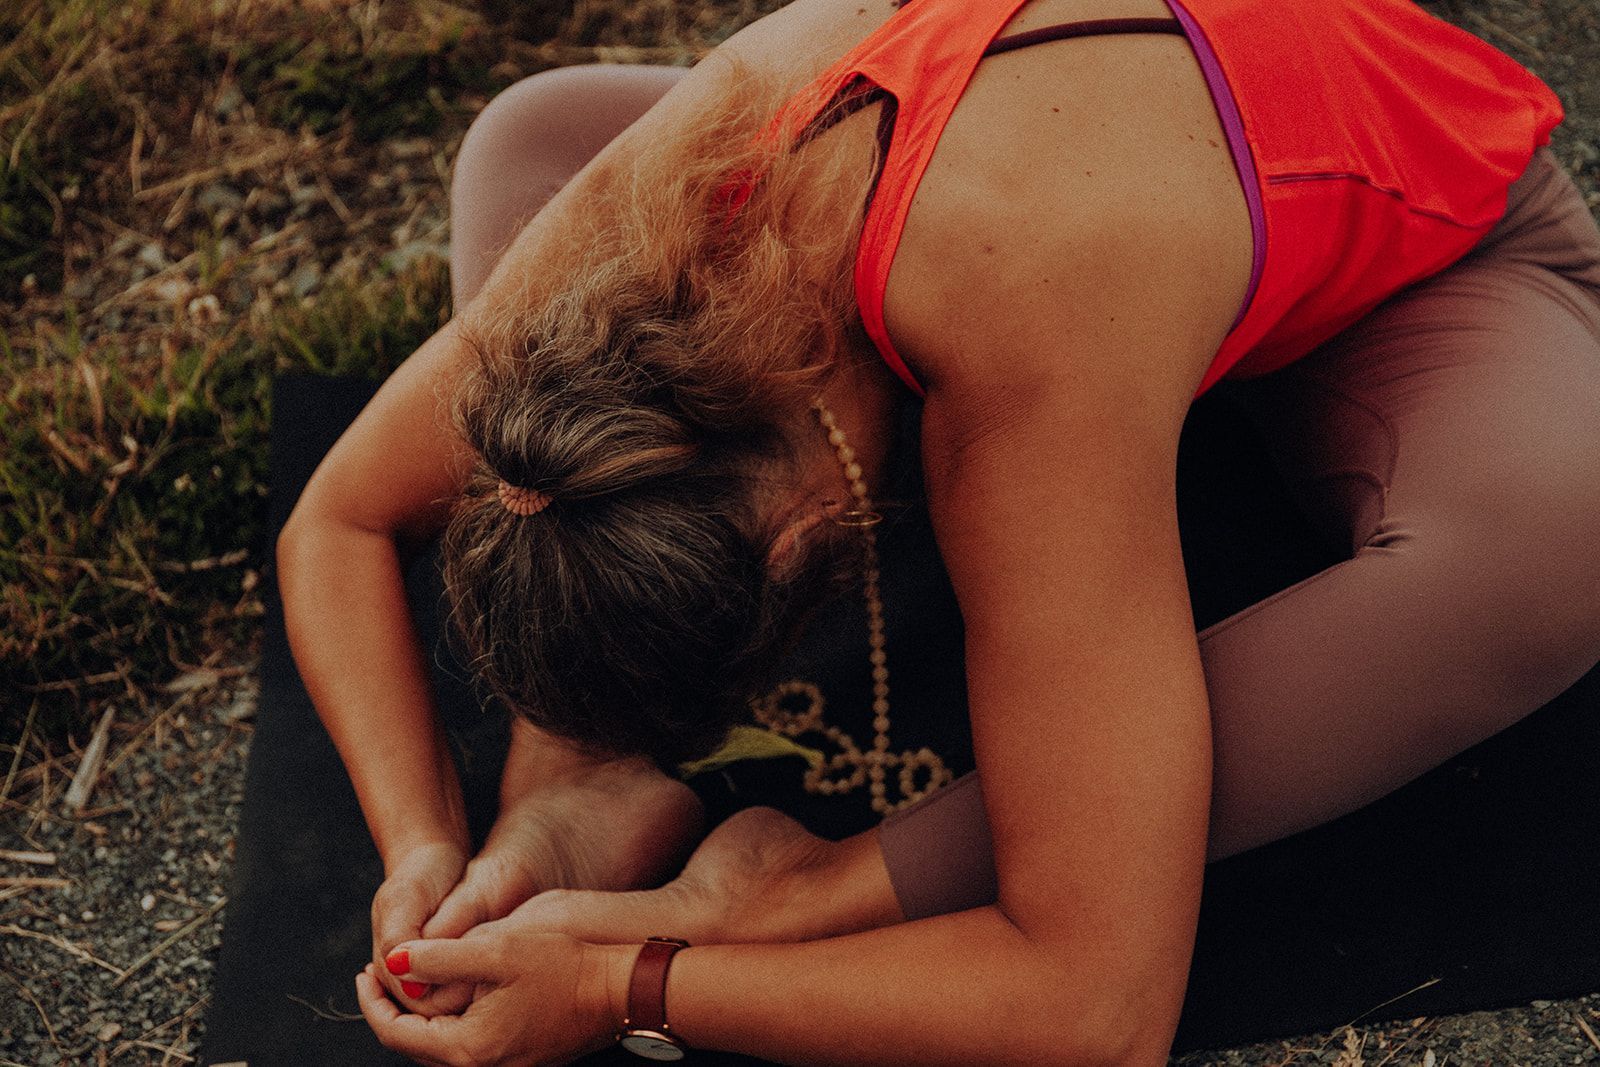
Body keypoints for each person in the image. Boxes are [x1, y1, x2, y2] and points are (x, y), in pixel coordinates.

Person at [275, 0, 1600, 1061]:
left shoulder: (1020, 354)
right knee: (529, 135)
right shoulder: (629, 245)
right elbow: (336, 519)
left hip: (1428, 270)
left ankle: (800, 888)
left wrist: (634, 979)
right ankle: (589, 776)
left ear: (809, 534)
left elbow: (1096, 1011)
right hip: (1099, 224)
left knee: (1554, 542)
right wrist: (434, 844)